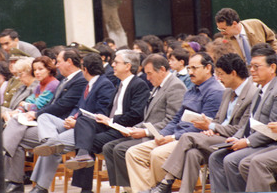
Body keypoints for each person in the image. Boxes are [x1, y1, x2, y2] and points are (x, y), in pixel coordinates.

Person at [155, 53, 257, 193]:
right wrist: (211, 128)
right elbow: (218, 119)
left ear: (233, 73)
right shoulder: (228, 91)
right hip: (217, 135)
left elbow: (240, 129)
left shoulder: (252, 94)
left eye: (221, 74)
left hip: (233, 139)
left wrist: (211, 126)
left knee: (187, 137)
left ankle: (166, 182)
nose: (218, 78)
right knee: (192, 153)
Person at [125, 52, 224, 193]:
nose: (190, 72)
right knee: (134, 152)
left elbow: (201, 127)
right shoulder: (191, 91)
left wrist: (172, 137)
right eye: (189, 68)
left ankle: (160, 189)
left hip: (189, 139)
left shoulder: (215, 92)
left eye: (194, 68)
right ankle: (146, 190)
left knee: (157, 154)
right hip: (175, 135)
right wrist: (162, 135)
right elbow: (175, 119)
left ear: (208, 68)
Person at [28, 53, 115, 193]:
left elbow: (101, 113)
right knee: (44, 117)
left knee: (54, 146)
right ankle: (50, 142)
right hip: (75, 123)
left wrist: (77, 122)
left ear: (84, 69)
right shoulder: (89, 84)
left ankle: (41, 187)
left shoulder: (105, 85)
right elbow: (78, 107)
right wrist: (72, 118)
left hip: (88, 129)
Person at [3, 49, 87, 193]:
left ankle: (2, 158)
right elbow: (49, 105)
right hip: (49, 123)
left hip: (62, 125)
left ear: (69, 62)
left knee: (17, 135)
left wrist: (35, 114)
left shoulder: (79, 80)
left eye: (59, 61)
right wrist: (29, 112)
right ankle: (15, 182)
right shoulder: (65, 80)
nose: (57, 65)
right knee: (15, 132)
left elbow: (63, 106)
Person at [66, 49, 150, 193]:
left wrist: (110, 120)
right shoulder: (120, 84)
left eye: (116, 62)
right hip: (111, 125)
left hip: (123, 128)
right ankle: (83, 156)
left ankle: (85, 187)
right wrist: (99, 118)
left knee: (86, 142)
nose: (113, 65)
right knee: (83, 120)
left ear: (128, 66)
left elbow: (136, 114)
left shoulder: (138, 85)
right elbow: (110, 109)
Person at [102, 53, 186, 191]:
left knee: (121, 149)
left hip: (161, 135)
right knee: (109, 147)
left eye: (150, 73)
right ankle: (129, 188)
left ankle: (142, 188)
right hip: (149, 131)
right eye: (146, 73)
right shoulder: (158, 85)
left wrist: (145, 132)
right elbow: (148, 118)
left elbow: (172, 120)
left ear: (163, 70)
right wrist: (133, 128)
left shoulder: (175, 86)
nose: (147, 78)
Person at [208, 45, 277, 193]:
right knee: (217, 157)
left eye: (256, 66)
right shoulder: (260, 90)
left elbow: (271, 129)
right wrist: (236, 137)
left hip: (268, 142)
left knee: (236, 161)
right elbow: (249, 122)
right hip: (255, 139)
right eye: (251, 66)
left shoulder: (275, 91)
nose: (252, 70)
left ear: (272, 68)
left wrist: (247, 142)